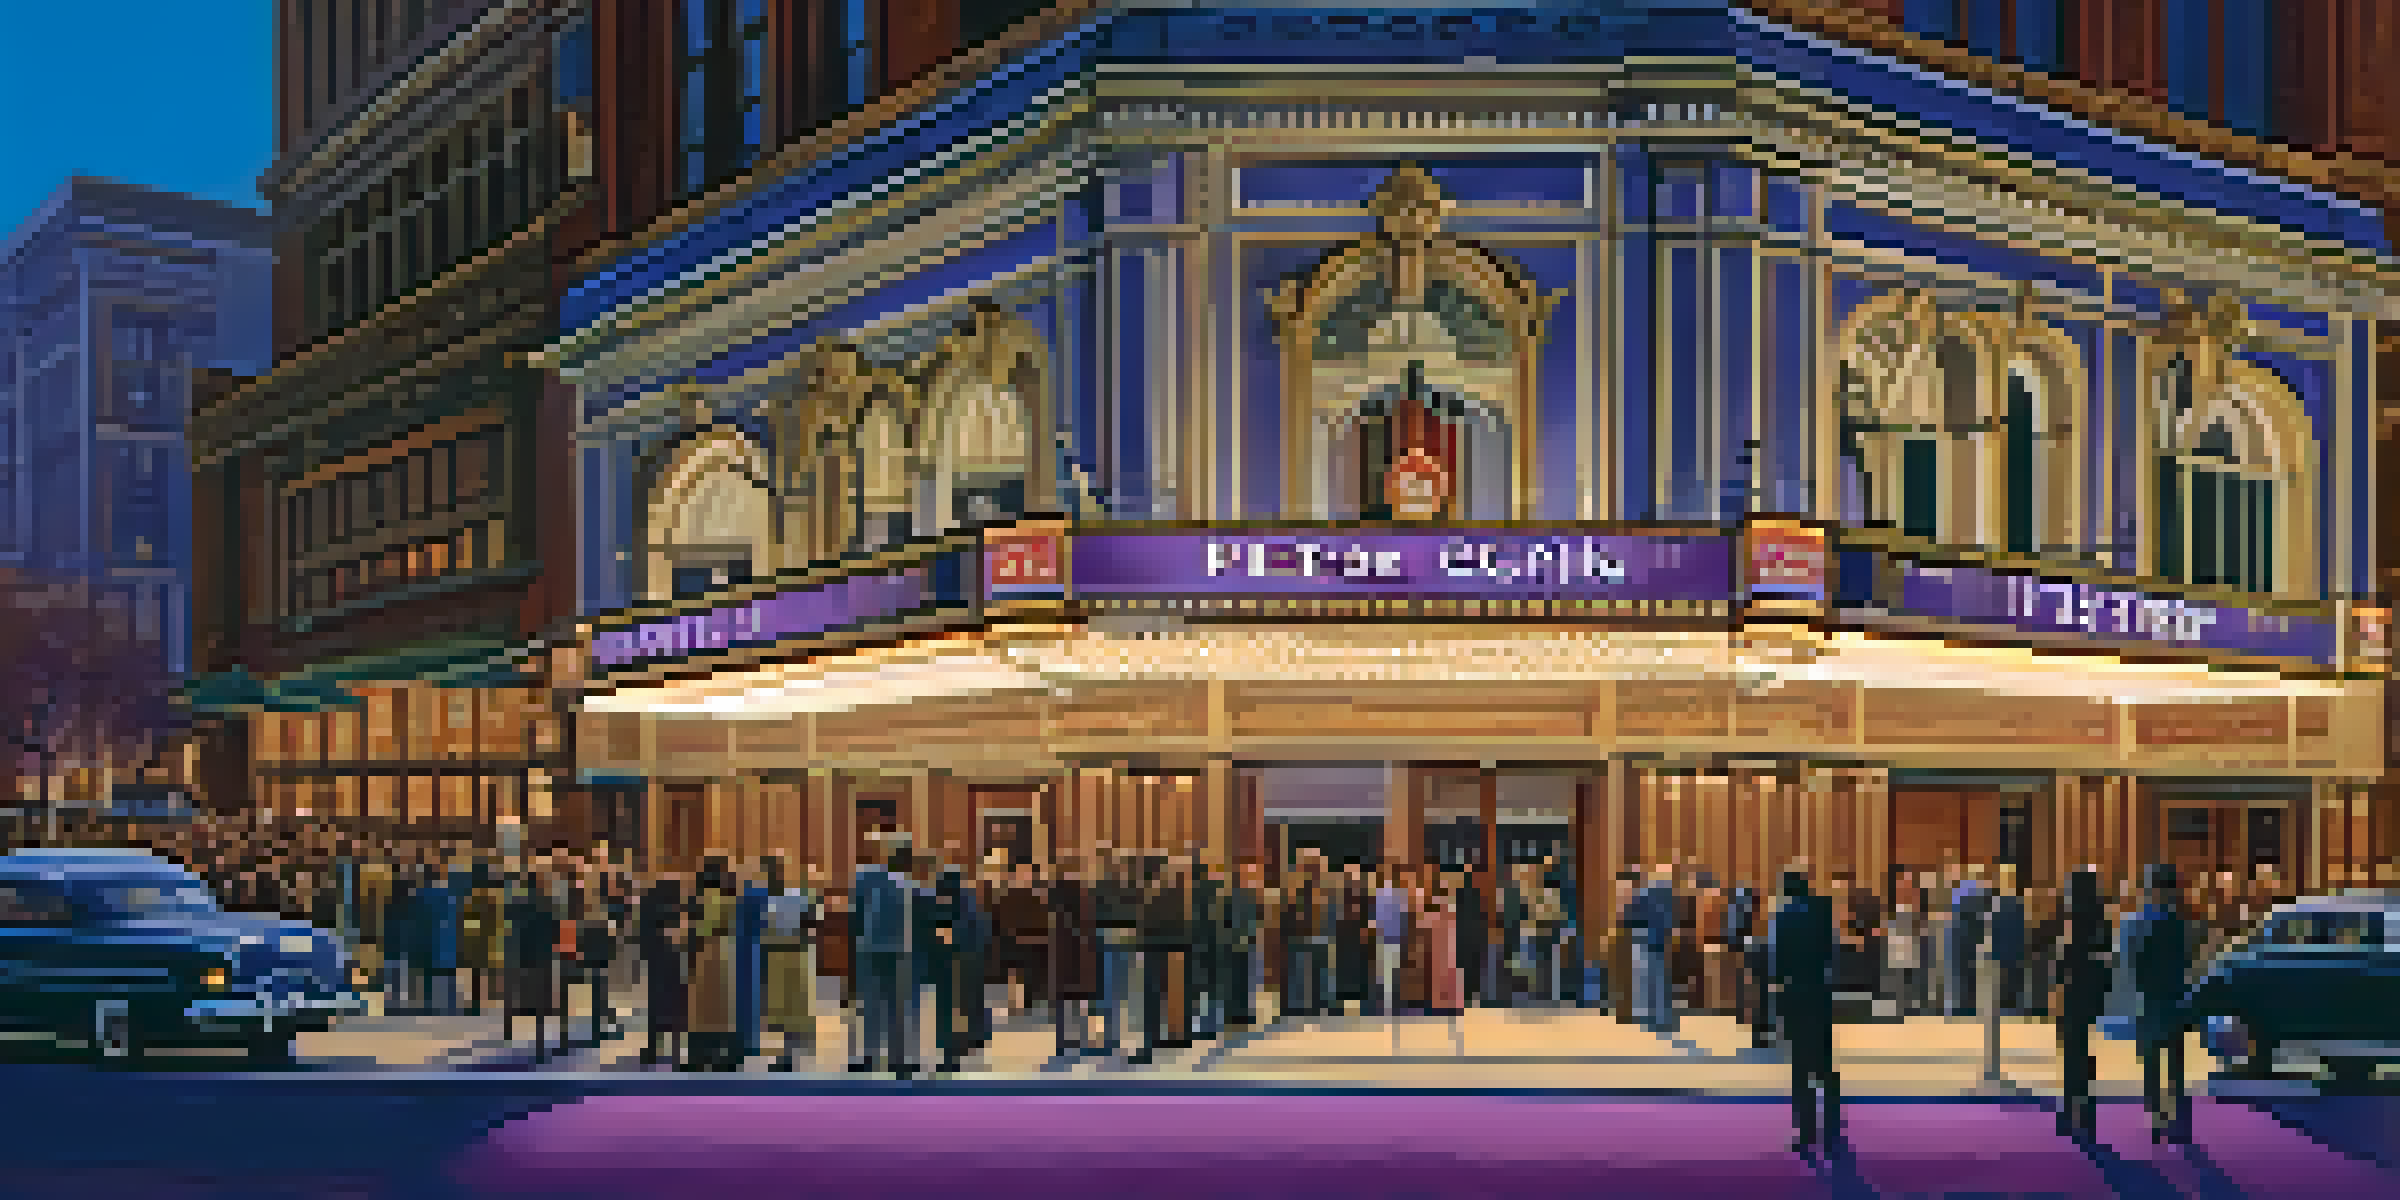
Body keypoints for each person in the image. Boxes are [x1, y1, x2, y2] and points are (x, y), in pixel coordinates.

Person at [2120, 863, 2195, 1144]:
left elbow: (2134, 962)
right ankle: (2178, 1122)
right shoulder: (2180, 922)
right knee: (2175, 1063)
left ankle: (2156, 1118)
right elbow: (2186, 960)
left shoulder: (2142, 921)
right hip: (2174, 998)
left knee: (2152, 1062)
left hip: (2150, 999)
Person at [1770, 868, 1842, 1156]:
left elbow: (1777, 961)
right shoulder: (1822, 913)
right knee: (1824, 1063)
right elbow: (1832, 952)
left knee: (1800, 1065)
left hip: (1794, 993)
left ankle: (1805, 1130)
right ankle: (1832, 1127)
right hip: (1819, 991)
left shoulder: (1783, 916)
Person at [851, 839, 918, 1075]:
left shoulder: (867, 877)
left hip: (873, 949)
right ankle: (896, 1060)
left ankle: (873, 1057)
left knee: (873, 1005)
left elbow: (856, 913)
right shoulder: (909, 885)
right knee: (895, 1007)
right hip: (897, 951)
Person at [2053, 867, 2111, 1140]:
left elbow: (2063, 962)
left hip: (2072, 992)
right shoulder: (2101, 921)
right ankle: (2086, 1111)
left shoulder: (2071, 922)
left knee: (2071, 1053)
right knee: (2084, 1052)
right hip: (2092, 993)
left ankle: (2069, 1112)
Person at [761, 864, 821, 1071]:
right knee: (791, 1007)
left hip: (785, 956)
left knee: (788, 1008)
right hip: (792, 955)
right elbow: (811, 925)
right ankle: (791, 1052)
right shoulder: (796, 898)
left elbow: (809, 924)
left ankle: (789, 1054)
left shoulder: (776, 901)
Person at [504, 864, 561, 1061]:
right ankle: (539, 1044)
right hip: (542, 959)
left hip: (522, 957)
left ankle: (509, 1032)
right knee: (540, 1004)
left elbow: (511, 931)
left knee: (516, 996)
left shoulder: (518, 905)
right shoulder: (548, 905)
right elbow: (555, 932)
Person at [640, 875, 690, 1068]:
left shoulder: (649, 907)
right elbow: (681, 938)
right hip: (672, 963)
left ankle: (653, 1050)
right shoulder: (675, 910)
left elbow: (643, 937)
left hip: (656, 964)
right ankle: (674, 1051)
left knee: (655, 1006)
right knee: (675, 1007)